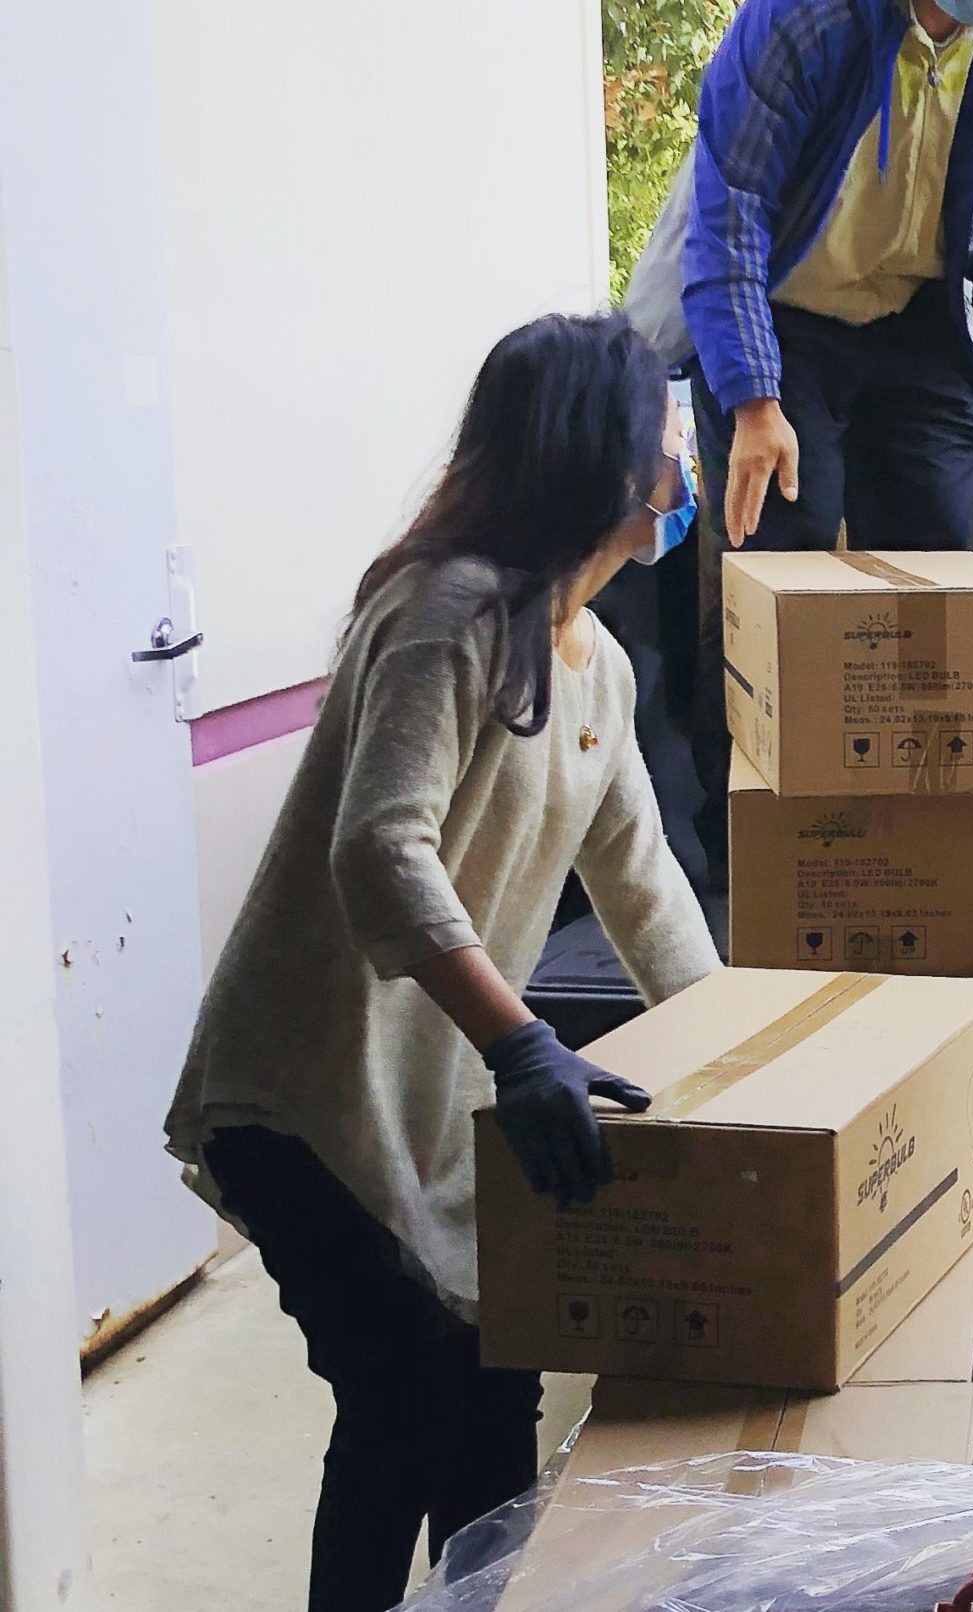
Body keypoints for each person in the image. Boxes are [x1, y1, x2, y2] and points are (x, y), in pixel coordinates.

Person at [164, 314, 722, 1612]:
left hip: (437, 1118)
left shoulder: (602, 668)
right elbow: (380, 855)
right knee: (402, 1400)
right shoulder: (447, 612)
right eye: (664, 434)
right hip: (305, 1101)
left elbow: (648, 898)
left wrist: (751, 1073)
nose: (679, 460)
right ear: (600, 457)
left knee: (491, 1413)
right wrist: (525, 1043)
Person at [622, 0, 973, 887]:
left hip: (909, 317)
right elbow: (728, 211)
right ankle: (751, 859)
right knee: (781, 554)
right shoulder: (810, 6)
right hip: (781, 311)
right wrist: (751, 403)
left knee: (938, 555)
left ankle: (918, 840)